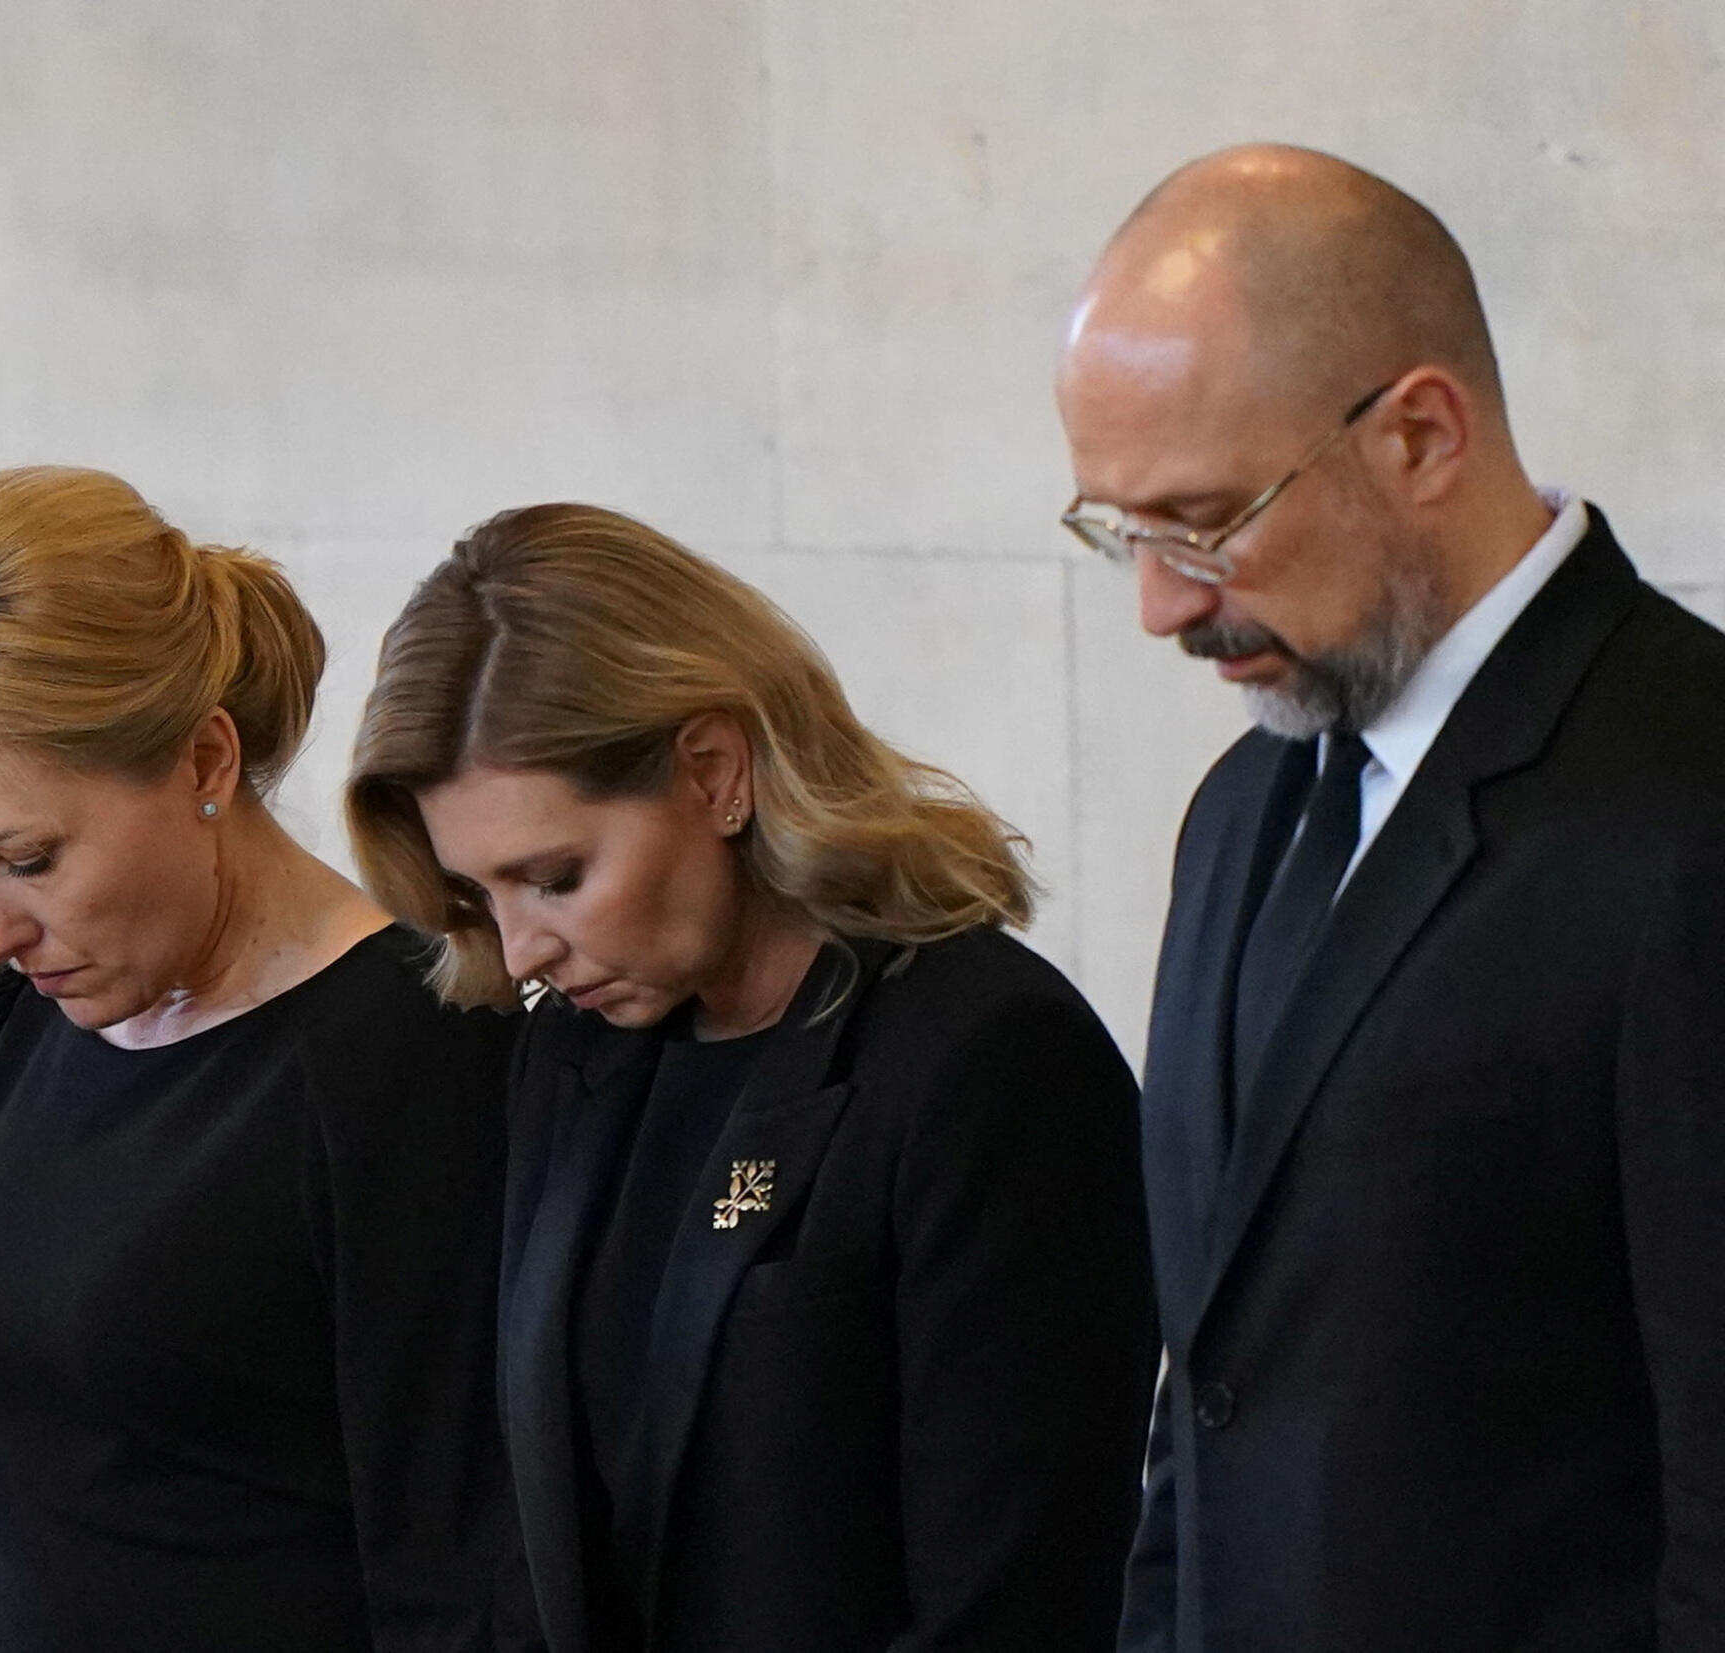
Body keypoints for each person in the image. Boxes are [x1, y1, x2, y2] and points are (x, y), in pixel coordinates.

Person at [1056, 145, 1725, 1652]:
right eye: (1121, 532)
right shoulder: (1239, 812)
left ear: (1420, 433)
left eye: (1207, 520)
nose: (1161, 602)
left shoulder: (1689, 802)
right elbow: (1206, 1401)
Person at [344, 502, 1158, 1653]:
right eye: (483, 896)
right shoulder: (576, 1053)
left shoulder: (987, 1058)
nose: (520, 948)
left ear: (714, 773)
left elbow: (1015, 1602)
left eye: (557, 876)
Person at [0, 465, 526, 1653]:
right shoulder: (13, 1029)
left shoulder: (408, 1055)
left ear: (204, 762)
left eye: (28, 858)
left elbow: (457, 1573)